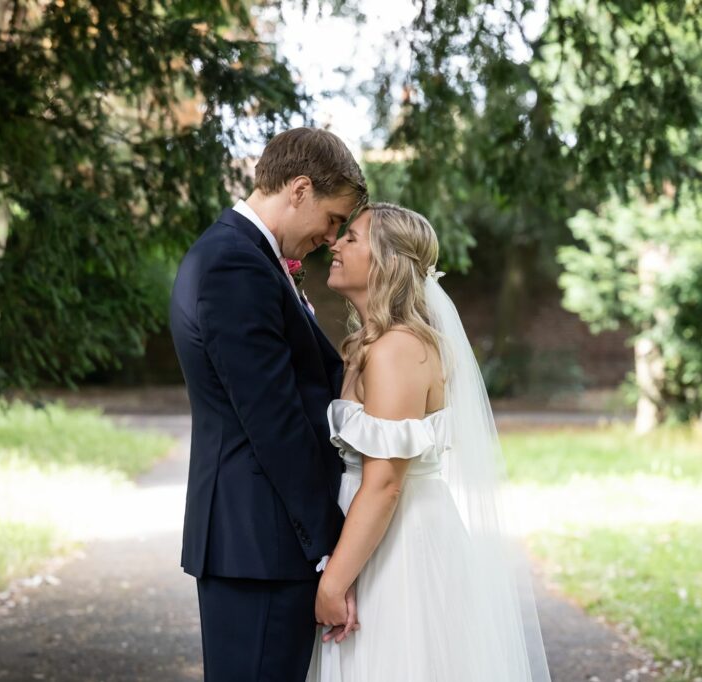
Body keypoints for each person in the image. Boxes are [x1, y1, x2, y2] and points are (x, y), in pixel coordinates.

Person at [307, 203, 552, 681]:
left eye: (352, 238)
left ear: (387, 260)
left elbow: (384, 483)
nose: (335, 244)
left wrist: (334, 582)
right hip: (371, 539)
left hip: (400, 550)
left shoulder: (399, 349)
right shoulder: (368, 345)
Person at [169, 127, 367, 681]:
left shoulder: (247, 256)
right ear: (300, 189)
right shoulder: (236, 265)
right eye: (332, 219)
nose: (331, 238)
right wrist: (330, 552)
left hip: (262, 541)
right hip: (262, 543)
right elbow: (274, 421)